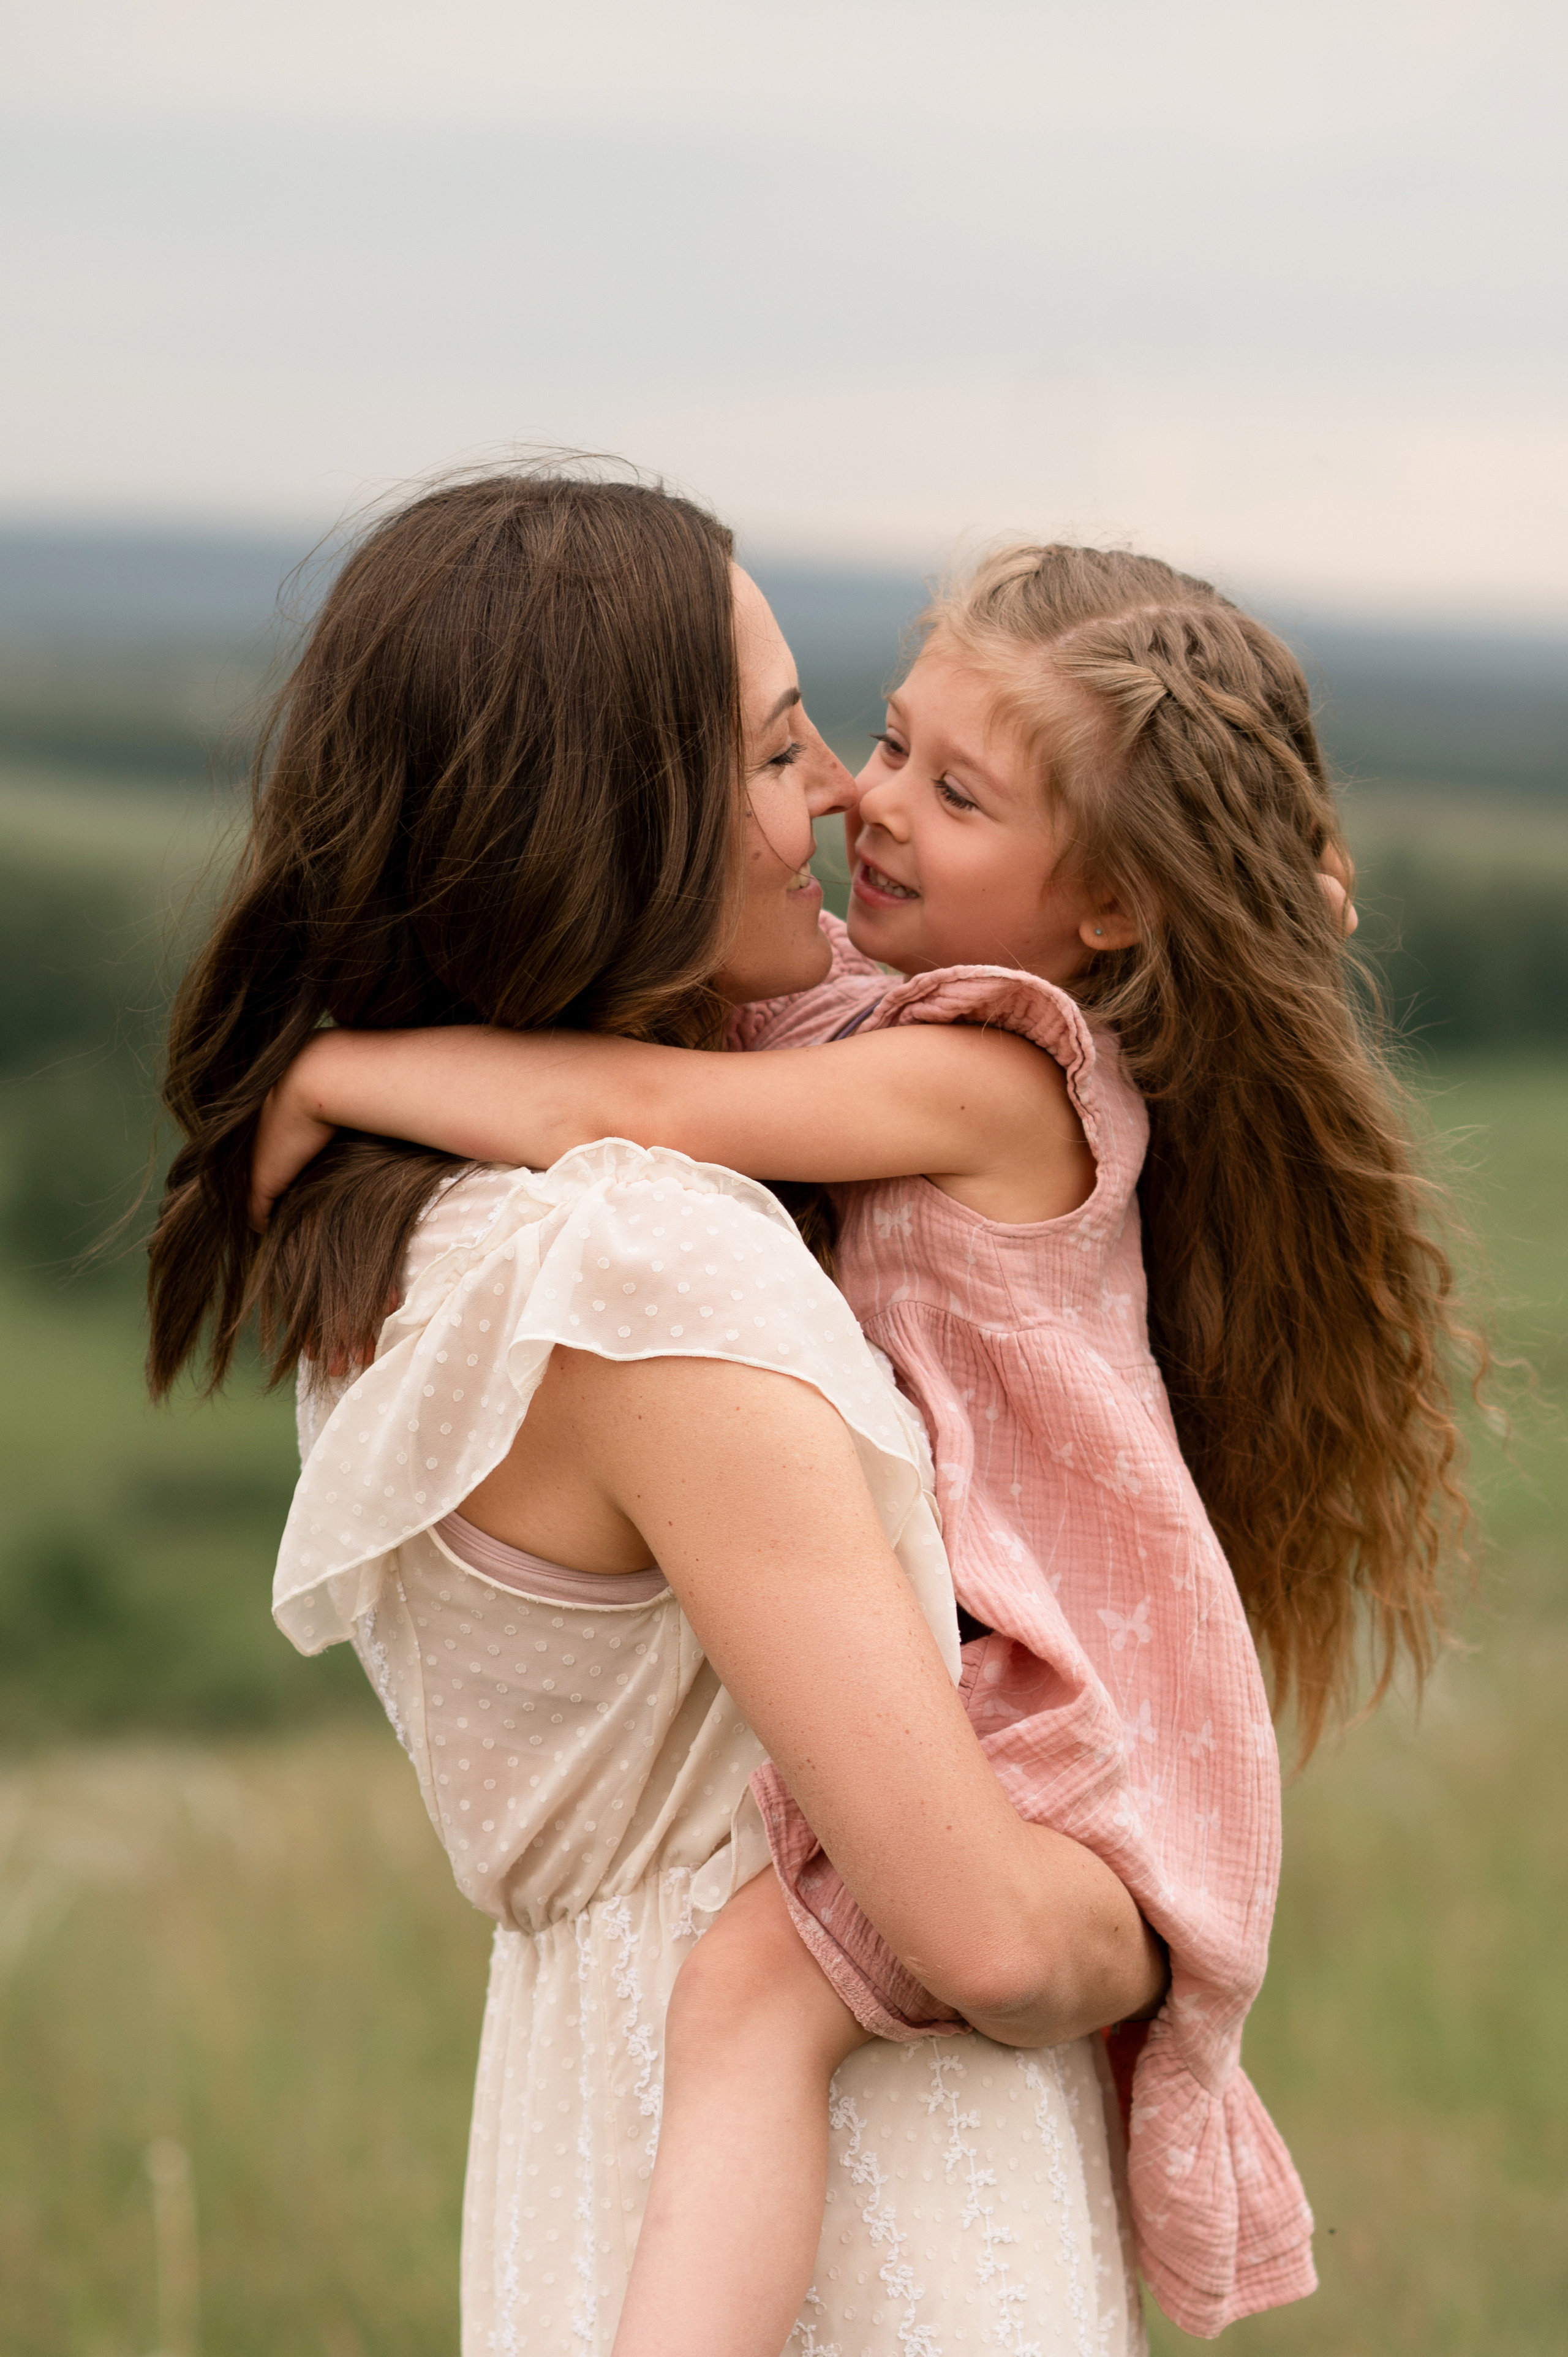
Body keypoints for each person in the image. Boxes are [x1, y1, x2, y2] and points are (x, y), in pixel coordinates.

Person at [254, 542, 1472, 2345]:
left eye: (947, 787)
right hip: (1020, 1689)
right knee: (754, 1998)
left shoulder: (996, 1071)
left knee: (753, 1992)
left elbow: (640, 1102)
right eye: (868, 743)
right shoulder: (865, 1025)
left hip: (1074, 1703)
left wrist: (334, 1075)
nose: (860, 800)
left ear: (1110, 909)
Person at [148, 473, 1169, 2357]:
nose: (840, 804)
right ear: (611, 827)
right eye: (787, 753)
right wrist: (1153, 1917)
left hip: (592, 2147)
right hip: (864, 2197)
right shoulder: (635, 1264)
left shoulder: (426, 1233)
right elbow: (997, 1940)